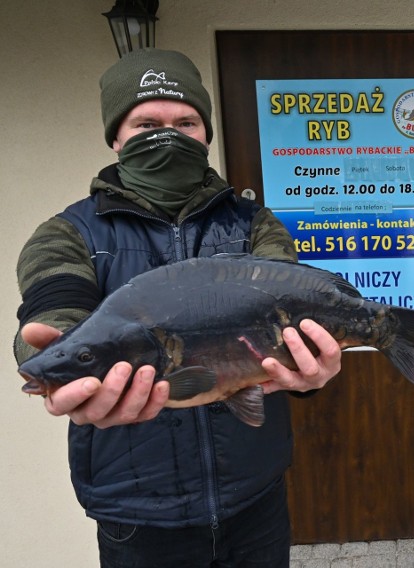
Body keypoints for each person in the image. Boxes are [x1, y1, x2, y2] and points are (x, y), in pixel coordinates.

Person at [14, 48, 343, 567]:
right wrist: (57, 351)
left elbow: (293, 311)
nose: (167, 134)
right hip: (137, 513)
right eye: (146, 122)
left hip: (254, 497)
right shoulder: (65, 235)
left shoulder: (256, 226)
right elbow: (56, 312)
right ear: (116, 138)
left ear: (206, 135)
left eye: (185, 121)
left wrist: (309, 371)